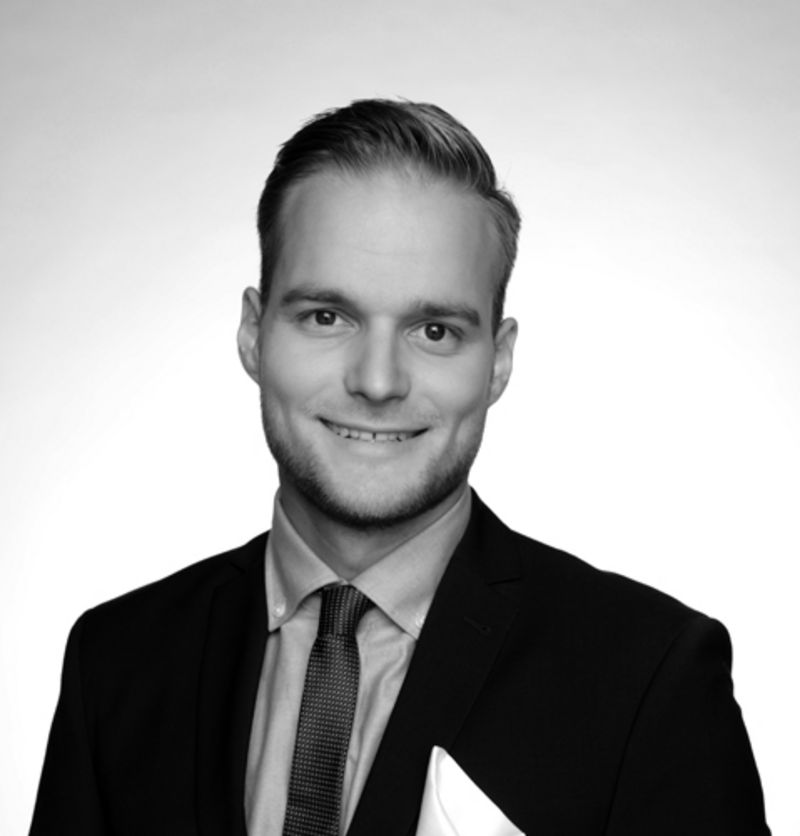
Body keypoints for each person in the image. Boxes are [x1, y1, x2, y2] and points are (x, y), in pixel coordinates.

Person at [30, 99, 770, 836]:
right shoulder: (117, 660)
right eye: (327, 316)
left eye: (435, 330)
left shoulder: (648, 678)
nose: (378, 381)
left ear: (498, 361)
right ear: (254, 334)